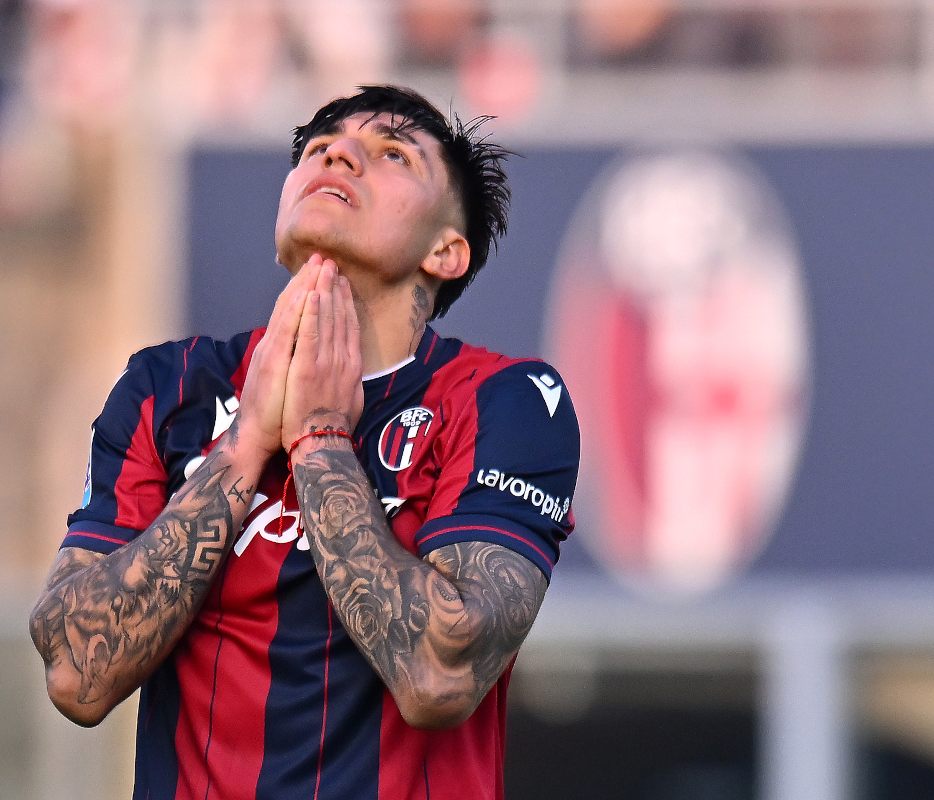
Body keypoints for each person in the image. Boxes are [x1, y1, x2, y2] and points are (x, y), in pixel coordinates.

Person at [29, 85, 580, 800]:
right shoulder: (167, 388)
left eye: (391, 154)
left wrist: (320, 440)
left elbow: (440, 675)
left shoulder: (505, 400)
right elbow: (78, 673)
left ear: (446, 251)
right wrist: (244, 445)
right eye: (320, 147)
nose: (338, 152)